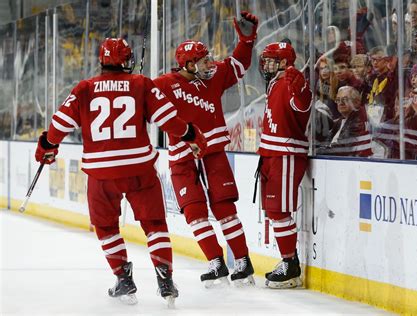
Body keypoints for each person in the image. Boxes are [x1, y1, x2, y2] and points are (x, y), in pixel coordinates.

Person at [34, 38, 206, 306]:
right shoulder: (140, 83)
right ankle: (165, 279)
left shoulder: (85, 88)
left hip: (101, 174)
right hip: (139, 168)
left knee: (105, 227)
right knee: (155, 225)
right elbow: (168, 120)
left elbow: (59, 124)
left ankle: (124, 279)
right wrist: (191, 134)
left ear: (102, 61)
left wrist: (47, 145)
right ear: (126, 61)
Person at [152, 11, 259, 287]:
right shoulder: (165, 84)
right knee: (194, 212)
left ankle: (243, 262)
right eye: (203, 60)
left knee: (225, 207)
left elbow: (238, 64)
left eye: (209, 58)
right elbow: (141, 98)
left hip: (213, 151)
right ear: (187, 64)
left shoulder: (215, 77)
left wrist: (246, 41)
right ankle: (216, 263)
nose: (210, 63)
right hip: (181, 156)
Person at [257, 41, 312, 288]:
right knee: (273, 211)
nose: (265, 64)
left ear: (284, 62)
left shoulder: (293, 82)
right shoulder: (275, 83)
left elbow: (303, 105)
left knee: (279, 210)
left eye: (271, 60)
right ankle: (288, 261)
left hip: (286, 153)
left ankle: (290, 265)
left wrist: (300, 89)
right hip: (269, 153)